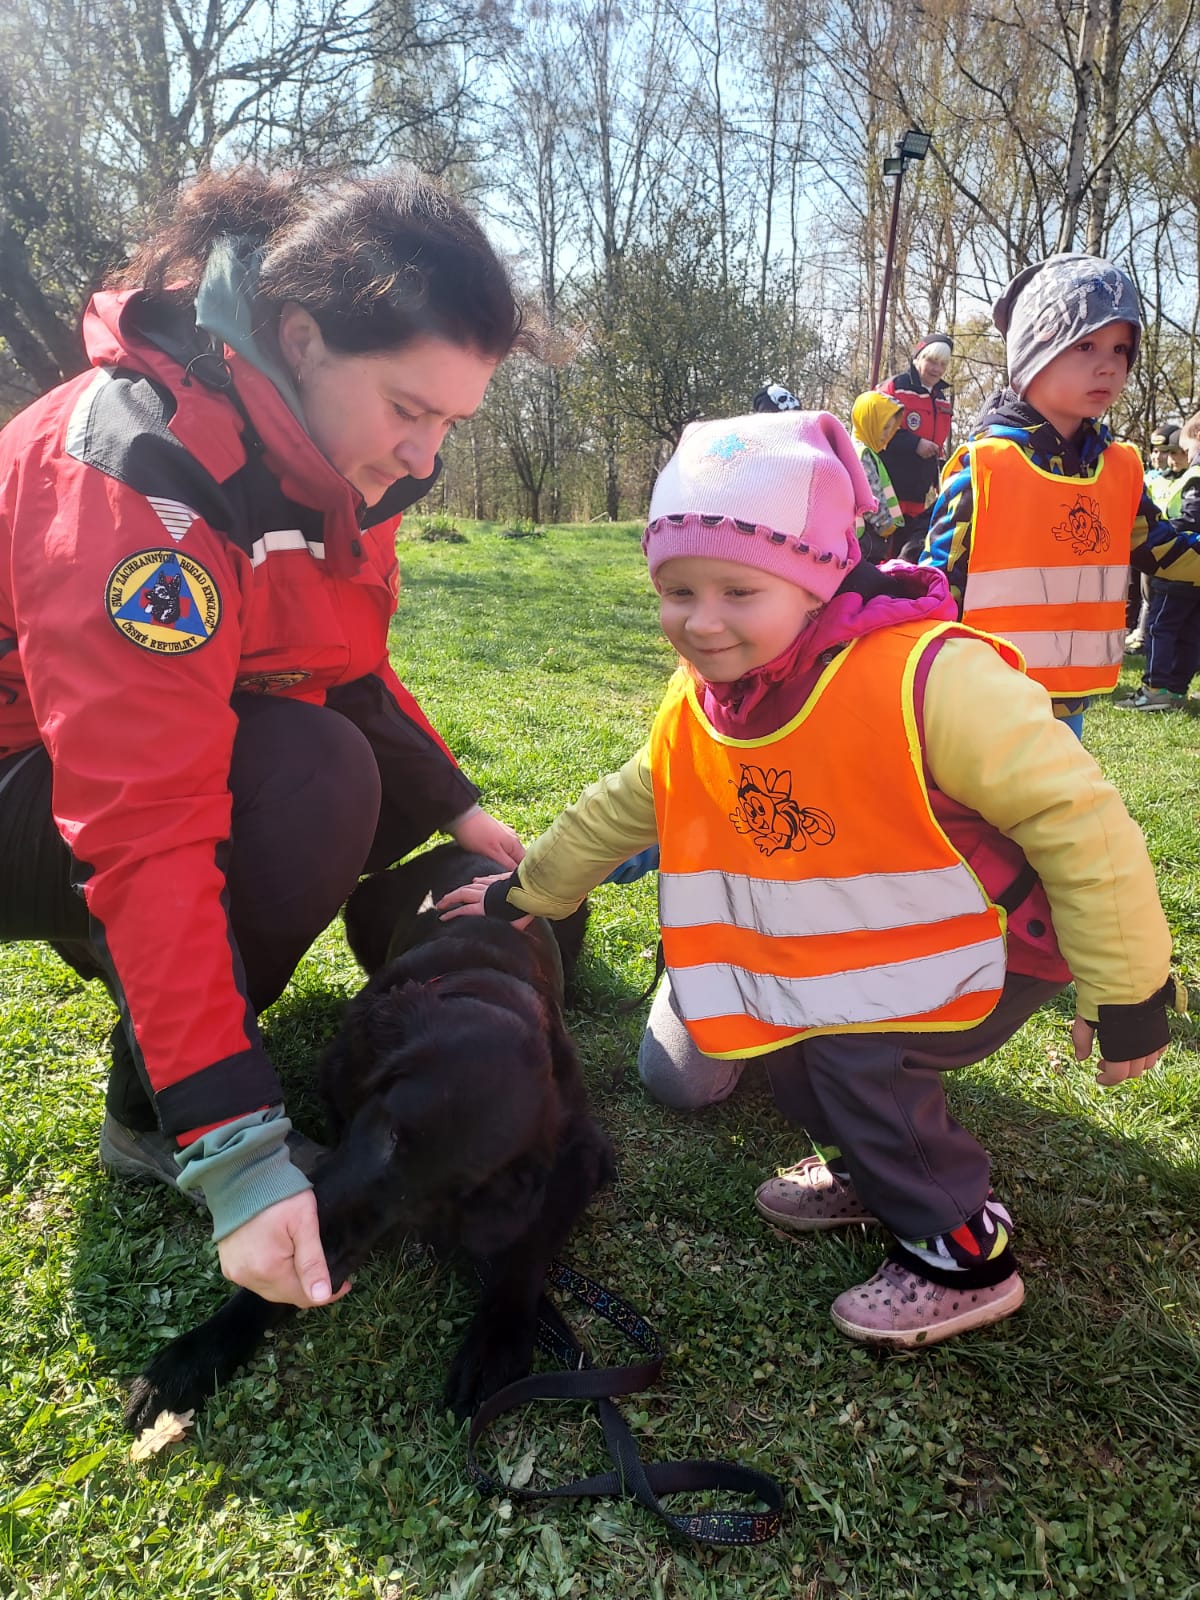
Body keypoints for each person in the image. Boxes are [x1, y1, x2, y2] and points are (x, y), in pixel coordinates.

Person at [439, 409, 1181, 1349]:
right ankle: (876, 1178)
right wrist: (529, 892)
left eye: (738, 590)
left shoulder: (930, 677)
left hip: (987, 939)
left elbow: (1079, 821)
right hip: (865, 949)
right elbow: (630, 805)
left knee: (861, 1056)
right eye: (677, 589)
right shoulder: (709, 700)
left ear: (820, 573)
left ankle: (960, 1252)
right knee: (783, 1037)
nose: (701, 622)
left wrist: (1128, 990)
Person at [0, 166, 530, 1312]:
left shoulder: (329, 460)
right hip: (21, 781)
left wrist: (457, 808)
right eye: (408, 407)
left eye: (451, 421)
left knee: (344, 764)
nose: (427, 457)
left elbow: (343, 662)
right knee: (309, 776)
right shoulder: (142, 470)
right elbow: (142, 819)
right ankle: (159, 1108)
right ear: (300, 337)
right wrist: (237, 1145)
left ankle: (186, 1007)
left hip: (104, 760)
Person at [921, 252, 1200, 739]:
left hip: (1070, 700)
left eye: (1120, 350)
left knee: (1051, 814)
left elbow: (1160, 549)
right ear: (1032, 351)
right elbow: (937, 585)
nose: (1109, 367)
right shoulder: (984, 466)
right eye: (1086, 345)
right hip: (981, 698)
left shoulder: (1119, 467)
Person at [1116, 408, 1200, 710]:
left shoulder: (1196, 475)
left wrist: (1162, 535)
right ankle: (1177, 689)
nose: (1185, 456)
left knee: (1161, 628)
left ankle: (1155, 690)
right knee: (1190, 630)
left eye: (1186, 448)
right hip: (1194, 569)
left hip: (1177, 561)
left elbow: (1192, 519)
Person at [877, 333, 954, 554]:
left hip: (919, 490)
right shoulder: (895, 387)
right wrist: (915, 444)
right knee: (885, 545)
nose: (936, 370)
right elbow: (875, 430)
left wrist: (941, 479)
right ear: (917, 358)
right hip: (890, 485)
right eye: (932, 361)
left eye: (942, 364)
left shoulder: (941, 399)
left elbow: (938, 445)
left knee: (908, 548)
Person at [849, 390, 905, 561]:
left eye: (891, 429)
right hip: (865, 540)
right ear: (869, 422)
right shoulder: (862, 454)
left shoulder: (852, 449)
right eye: (884, 428)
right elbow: (869, 499)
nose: (887, 435)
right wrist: (886, 526)